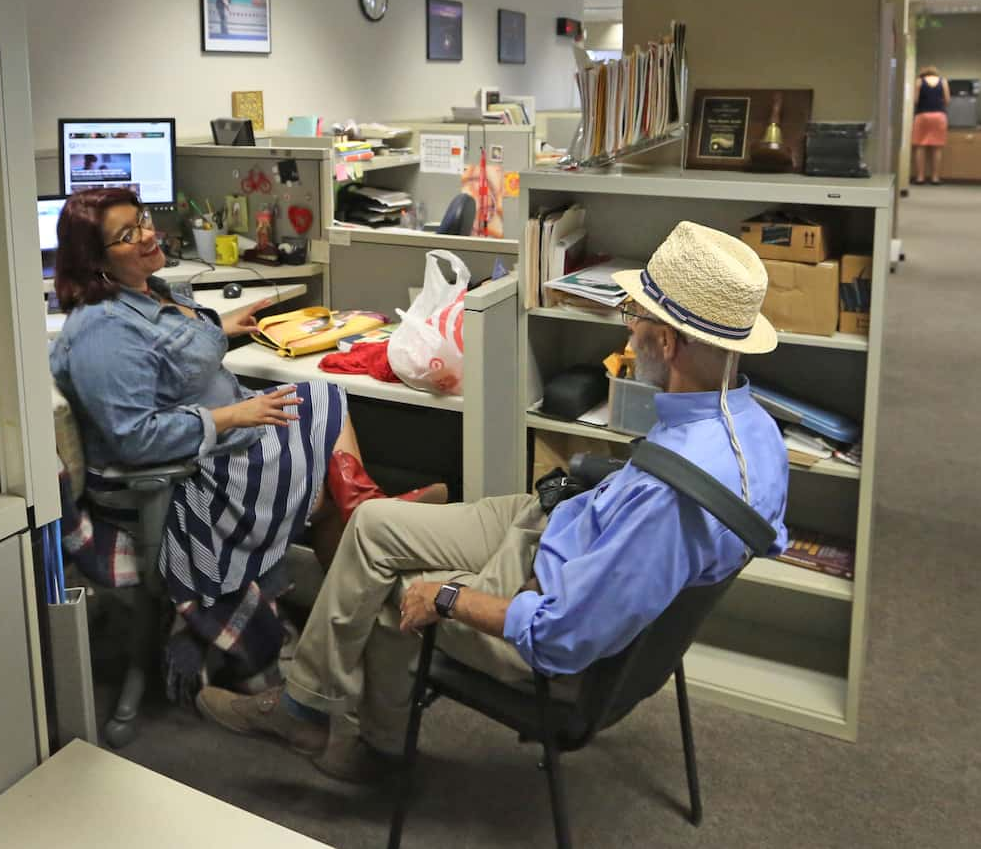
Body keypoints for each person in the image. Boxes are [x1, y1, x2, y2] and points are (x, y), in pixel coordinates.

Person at [197, 221, 790, 782]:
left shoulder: (670, 498)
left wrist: (449, 596)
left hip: (546, 593)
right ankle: (305, 702)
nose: (626, 332)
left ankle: (359, 746)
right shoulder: (757, 433)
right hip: (561, 525)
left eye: (634, 317)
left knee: (386, 597)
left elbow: (563, 635)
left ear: (666, 339)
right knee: (372, 524)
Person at [48, 187, 446, 695]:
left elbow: (171, 345)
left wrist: (220, 325)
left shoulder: (150, 288)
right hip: (183, 481)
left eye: (142, 220)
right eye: (127, 235)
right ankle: (359, 590)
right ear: (97, 262)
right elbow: (135, 439)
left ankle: (362, 513)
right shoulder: (103, 333)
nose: (148, 234)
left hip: (225, 441)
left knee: (322, 397)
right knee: (325, 492)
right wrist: (233, 415)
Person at [912, 65, 950, 185]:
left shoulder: (919, 81)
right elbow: (947, 100)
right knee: (937, 147)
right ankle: (935, 178)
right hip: (939, 116)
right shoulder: (943, 81)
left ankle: (920, 178)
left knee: (920, 146)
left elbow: (915, 100)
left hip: (922, 115)